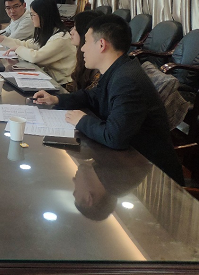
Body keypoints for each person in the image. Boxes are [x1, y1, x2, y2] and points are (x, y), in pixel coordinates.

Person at [33, 14, 184, 186]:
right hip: (130, 164)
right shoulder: (118, 69)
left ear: (101, 45)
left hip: (154, 178)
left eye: (86, 42)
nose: (82, 48)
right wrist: (56, 99)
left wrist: (82, 120)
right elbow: (91, 96)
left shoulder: (127, 80)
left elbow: (114, 136)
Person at [0, 0, 76, 85]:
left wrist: (17, 49)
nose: (31, 18)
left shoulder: (61, 38)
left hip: (63, 84)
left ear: (44, 15)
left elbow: (36, 57)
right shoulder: (48, 32)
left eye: (33, 14)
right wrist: (3, 39)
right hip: (50, 78)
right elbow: (27, 44)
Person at [66, 10, 104, 92]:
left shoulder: (98, 68)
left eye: (75, 28)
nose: (71, 32)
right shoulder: (83, 55)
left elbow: (89, 95)